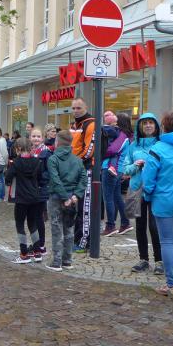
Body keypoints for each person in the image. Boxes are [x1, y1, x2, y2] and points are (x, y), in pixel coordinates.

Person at [141, 112, 173, 296]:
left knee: (167, 242)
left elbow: (148, 179)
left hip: (163, 201)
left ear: (163, 127)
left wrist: (147, 195)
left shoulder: (158, 149)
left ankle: (172, 284)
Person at [121, 112, 163, 274]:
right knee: (140, 226)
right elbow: (125, 169)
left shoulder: (161, 144)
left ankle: (159, 261)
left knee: (154, 226)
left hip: (155, 190)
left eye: (151, 122)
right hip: (137, 189)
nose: (148, 125)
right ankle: (143, 259)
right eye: (144, 123)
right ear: (139, 126)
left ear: (156, 126)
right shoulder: (133, 146)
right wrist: (136, 165)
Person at [46, 130, 87, 272]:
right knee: (69, 229)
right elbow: (83, 179)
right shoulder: (77, 160)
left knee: (57, 229)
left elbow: (55, 180)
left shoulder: (53, 159)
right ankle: (67, 260)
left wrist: (65, 198)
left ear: (57, 142)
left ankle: (57, 261)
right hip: (72, 197)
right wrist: (75, 196)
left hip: (57, 197)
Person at [5, 137, 44, 264]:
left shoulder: (16, 163)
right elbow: (40, 179)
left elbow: (8, 178)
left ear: (18, 149)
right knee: (32, 224)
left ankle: (24, 254)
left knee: (20, 224)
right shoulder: (37, 161)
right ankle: (37, 252)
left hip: (21, 198)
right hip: (34, 197)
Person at [69, 97, 96, 252]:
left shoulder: (90, 124)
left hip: (86, 170)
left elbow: (89, 150)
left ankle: (84, 242)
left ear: (85, 107)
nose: (75, 111)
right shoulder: (74, 125)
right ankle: (78, 238)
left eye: (78, 108)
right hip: (76, 169)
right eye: (73, 108)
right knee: (77, 206)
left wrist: (74, 162)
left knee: (84, 207)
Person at [101, 113, 133, 236]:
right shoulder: (125, 135)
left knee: (108, 198)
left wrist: (100, 152)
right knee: (117, 197)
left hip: (110, 170)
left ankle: (110, 226)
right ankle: (125, 223)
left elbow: (112, 150)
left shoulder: (122, 135)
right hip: (117, 170)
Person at [29, 126, 52, 259]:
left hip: (40, 189)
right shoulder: (30, 151)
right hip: (30, 189)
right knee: (31, 217)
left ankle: (41, 245)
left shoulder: (46, 152)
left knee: (39, 218)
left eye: (38, 136)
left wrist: (38, 179)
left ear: (42, 138)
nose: (36, 139)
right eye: (34, 136)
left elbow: (48, 172)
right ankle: (35, 243)